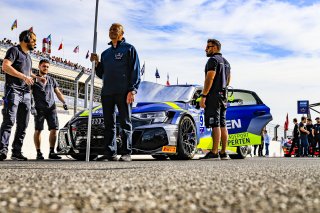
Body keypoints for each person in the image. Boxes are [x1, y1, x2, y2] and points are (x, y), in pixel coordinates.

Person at [90, 23, 141, 162]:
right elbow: (102, 74)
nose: (112, 31)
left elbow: (135, 71)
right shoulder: (105, 53)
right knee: (109, 124)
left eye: (115, 30)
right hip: (107, 92)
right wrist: (97, 63)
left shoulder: (129, 49)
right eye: (110, 29)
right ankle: (110, 153)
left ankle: (126, 153)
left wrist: (132, 90)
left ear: (122, 33)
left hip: (124, 92)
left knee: (125, 122)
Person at [0, 30, 44, 161]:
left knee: (23, 124)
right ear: (25, 38)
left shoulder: (29, 57)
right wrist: (24, 77)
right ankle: (2, 150)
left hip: (26, 94)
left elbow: (28, 72)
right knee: (9, 121)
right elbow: (5, 66)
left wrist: (37, 78)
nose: (35, 43)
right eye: (34, 40)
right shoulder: (14, 50)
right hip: (13, 91)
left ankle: (16, 152)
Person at [199, 39, 231, 160]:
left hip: (213, 96)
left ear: (216, 48)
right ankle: (223, 152)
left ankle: (214, 151)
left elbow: (210, 78)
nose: (206, 49)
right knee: (223, 124)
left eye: (208, 47)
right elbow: (228, 81)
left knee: (215, 124)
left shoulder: (212, 60)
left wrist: (204, 95)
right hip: (223, 96)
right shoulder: (227, 62)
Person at [31, 59, 68, 160]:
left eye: (47, 66)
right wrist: (31, 106)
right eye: (44, 66)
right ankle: (38, 153)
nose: (45, 68)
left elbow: (58, 92)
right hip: (39, 108)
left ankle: (52, 152)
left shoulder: (51, 80)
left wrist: (64, 102)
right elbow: (29, 93)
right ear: (39, 66)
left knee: (54, 129)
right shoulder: (33, 78)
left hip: (51, 108)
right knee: (38, 130)